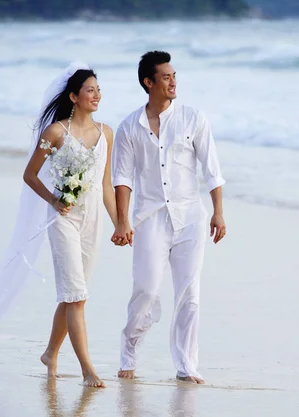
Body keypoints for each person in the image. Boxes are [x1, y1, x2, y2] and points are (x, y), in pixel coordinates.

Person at [112, 50, 226, 384]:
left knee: (189, 294)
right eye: (166, 77)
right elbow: (122, 177)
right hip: (149, 218)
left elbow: (211, 169)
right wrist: (122, 221)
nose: (173, 81)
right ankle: (128, 353)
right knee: (146, 289)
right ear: (149, 83)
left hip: (190, 217)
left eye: (174, 75)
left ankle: (186, 364)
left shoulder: (193, 118)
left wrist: (218, 212)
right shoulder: (129, 127)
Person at [24, 67, 117, 387]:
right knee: (75, 295)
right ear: (74, 97)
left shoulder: (107, 133)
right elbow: (30, 175)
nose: (97, 95)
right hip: (64, 219)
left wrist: (121, 223)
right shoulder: (55, 133)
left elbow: (106, 185)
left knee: (74, 296)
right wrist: (53, 200)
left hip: (93, 221)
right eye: (90, 90)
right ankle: (88, 370)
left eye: (98, 89)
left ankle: (50, 353)